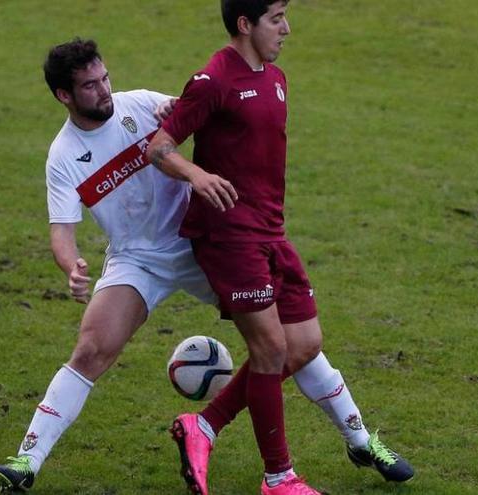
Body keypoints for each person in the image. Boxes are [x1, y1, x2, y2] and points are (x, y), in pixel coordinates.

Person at [0, 35, 411, 494]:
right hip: (138, 261)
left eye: (105, 78)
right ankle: (27, 460)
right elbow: (61, 232)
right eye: (90, 86)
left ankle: (360, 438)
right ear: (63, 96)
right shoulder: (64, 156)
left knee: (287, 337)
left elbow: (197, 108)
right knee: (92, 348)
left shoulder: (141, 106)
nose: (105, 90)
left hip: (202, 241)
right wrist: (71, 266)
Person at [146, 1, 414, 494]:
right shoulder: (213, 80)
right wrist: (198, 175)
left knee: (305, 344)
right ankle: (279, 479)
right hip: (228, 236)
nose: (287, 29)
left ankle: (202, 426)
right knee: (270, 350)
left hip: (272, 232)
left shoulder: (276, 78)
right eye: (276, 19)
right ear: (245, 24)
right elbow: (158, 146)